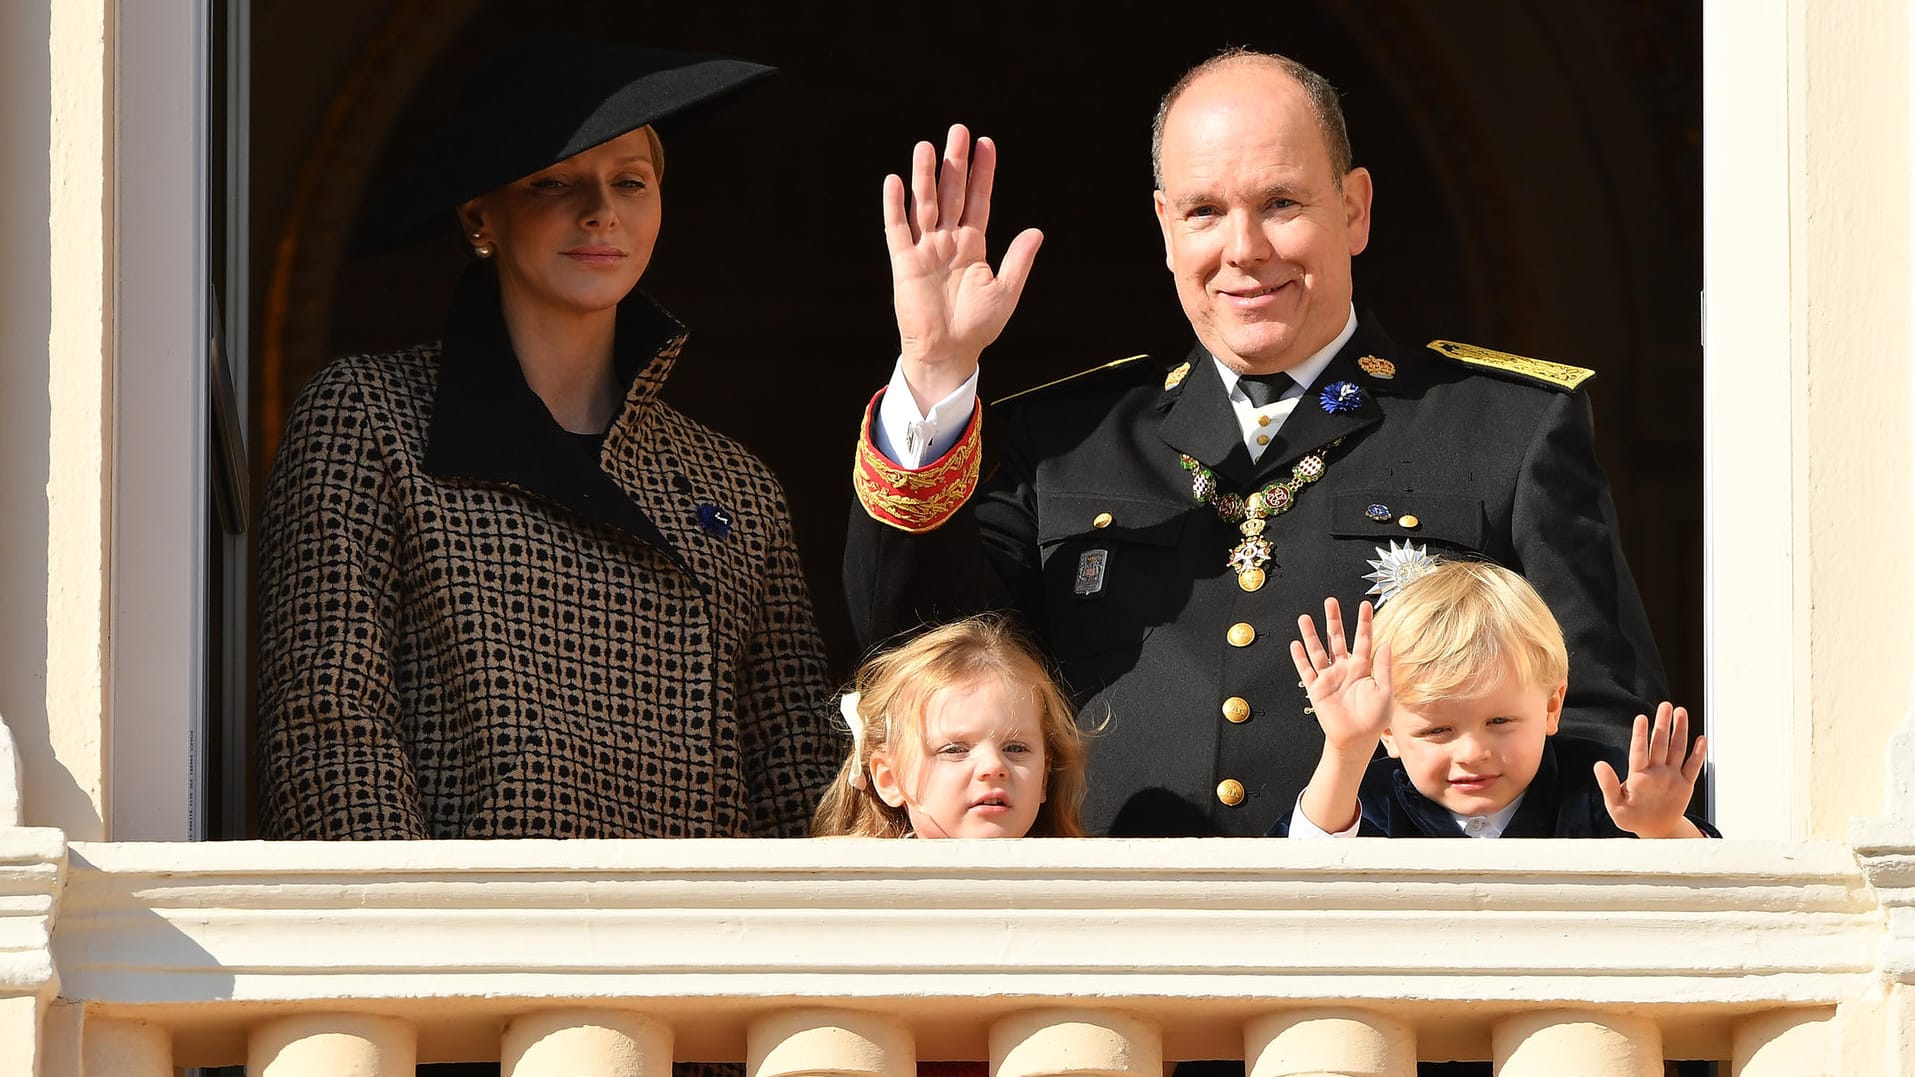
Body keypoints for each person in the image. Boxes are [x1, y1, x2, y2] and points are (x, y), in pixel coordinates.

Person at [843, 47, 1668, 836]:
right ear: (1165, 229)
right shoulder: (1065, 439)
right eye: (1204, 211)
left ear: (1352, 209)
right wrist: (935, 370)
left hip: (1389, 954)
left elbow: (1601, 732)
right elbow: (921, 662)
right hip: (1105, 950)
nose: (1243, 249)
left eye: (1280, 203)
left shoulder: (1502, 430)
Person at [257, 34, 838, 844]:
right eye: (554, 180)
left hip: (700, 949)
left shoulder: (733, 483)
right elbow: (330, 725)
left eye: (629, 181)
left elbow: (794, 768)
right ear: (478, 215)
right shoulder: (370, 417)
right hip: (467, 946)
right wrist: (396, 951)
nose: (599, 209)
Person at [1274, 563, 1712, 840]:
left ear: (1551, 707)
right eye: (1437, 730)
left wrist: (1664, 831)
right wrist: (1347, 753)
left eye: (1500, 720)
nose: (1472, 753)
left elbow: (1713, 906)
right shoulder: (1368, 795)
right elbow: (1296, 887)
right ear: (1387, 731)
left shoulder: (1601, 788)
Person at [814, 614, 1087, 838]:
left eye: (1016, 747)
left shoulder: (1089, 893)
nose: (993, 767)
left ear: (1044, 777)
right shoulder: (859, 899)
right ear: (890, 779)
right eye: (954, 749)